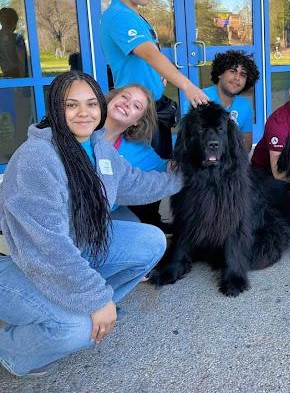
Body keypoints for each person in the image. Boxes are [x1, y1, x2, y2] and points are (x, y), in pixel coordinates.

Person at [0, 71, 183, 377]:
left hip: (71, 252)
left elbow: (135, 184)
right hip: (19, 264)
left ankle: (81, 304)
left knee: (151, 241)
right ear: (56, 109)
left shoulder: (96, 147)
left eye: (90, 104)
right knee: (76, 329)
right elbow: (48, 248)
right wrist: (97, 300)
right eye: (72, 105)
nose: (83, 113)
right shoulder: (37, 159)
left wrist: (189, 177)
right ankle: (12, 352)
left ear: (100, 106)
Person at [100, 0, 208, 158]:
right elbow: (151, 55)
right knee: (149, 176)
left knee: (161, 168)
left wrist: (156, 76)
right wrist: (187, 85)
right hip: (138, 112)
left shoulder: (135, 16)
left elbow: (143, 58)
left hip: (153, 107)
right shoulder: (119, 17)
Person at [104, 84, 169, 228]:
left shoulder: (139, 150)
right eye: (124, 97)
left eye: (136, 106)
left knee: (150, 239)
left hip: (104, 213)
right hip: (65, 210)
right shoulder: (82, 125)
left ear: (137, 121)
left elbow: (170, 169)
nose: (127, 104)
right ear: (111, 100)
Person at [182, 50, 259, 150]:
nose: (237, 78)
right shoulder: (199, 98)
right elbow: (187, 141)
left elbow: (246, 146)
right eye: (233, 71)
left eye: (243, 75)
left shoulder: (245, 106)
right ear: (220, 74)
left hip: (228, 161)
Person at [0, 7, 29, 79]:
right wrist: (22, 82)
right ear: (14, 23)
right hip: (17, 76)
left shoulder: (16, 38)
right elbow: (21, 62)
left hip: (8, 75)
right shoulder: (17, 38)